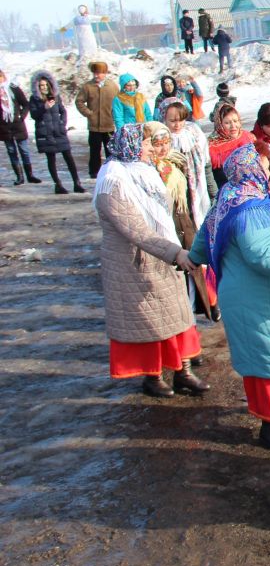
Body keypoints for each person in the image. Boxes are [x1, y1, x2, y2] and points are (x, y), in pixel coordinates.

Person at [188, 145, 270, 452]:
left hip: (245, 296)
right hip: (263, 298)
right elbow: (263, 258)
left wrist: (194, 257)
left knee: (263, 358)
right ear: (249, 168)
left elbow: (205, 236)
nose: (267, 166)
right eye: (262, 162)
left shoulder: (229, 198)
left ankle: (269, 417)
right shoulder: (251, 208)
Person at [93, 123, 209, 399]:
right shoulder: (113, 183)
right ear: (131, 147)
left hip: (160, 256)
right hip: (133, 264)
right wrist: (176, 253)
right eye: (145, 145)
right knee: (149, 323)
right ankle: (152, 376)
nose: (150, 149)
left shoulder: (143, 173)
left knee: (176, 314)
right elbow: (137, 231)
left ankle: (183, 372)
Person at [146, 121, 213, 321]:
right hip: (164, 230)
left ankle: (197, 309)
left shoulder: (175, 163)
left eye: (166, 142)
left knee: (192, 270)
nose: (163, 148)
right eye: (157, 144)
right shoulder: (147, 172)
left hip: (184, 224)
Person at [158, 98, 218, 317]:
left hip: (196, 201)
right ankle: (189, 302)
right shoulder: (159, 141)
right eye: (172, 120)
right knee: (182, 251)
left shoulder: (194, 135)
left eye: (180, 119)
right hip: (175, 206)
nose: (177, 125)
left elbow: (206, 167)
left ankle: (208, 299)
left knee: (201, 249)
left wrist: (213, 194)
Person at [29, 71, 81, 194]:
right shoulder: (34, 99)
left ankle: (77, 183)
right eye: (41, 85)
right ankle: (58, 185)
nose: (44, 88)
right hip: (45, 133)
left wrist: (62, 123)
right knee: (51, 159)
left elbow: (63, 111)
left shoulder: (56, 97)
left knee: (69, 157)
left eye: (46, 85)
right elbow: (34, 115)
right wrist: (44, 107)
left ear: (50, 85)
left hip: (59, 132)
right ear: (37, 87)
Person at [76, 61, 119, 179]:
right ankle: (94, 171)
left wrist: (115, 115)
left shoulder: (112, 86)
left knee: (110, 150)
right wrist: (88, 113)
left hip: (109, 125)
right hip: (94, 126)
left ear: (104, 73)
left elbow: (118, 102)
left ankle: (111, 170)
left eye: (99, 73)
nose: (96, 75)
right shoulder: (87, 86)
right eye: (94, 73)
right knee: (94, 150)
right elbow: (79, 101)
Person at [1, 68, 38, 186]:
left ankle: (30, 176)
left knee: (25, 151)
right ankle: (19, 177)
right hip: (4, 128)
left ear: (3, 77)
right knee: (12, 152)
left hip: (18, 126)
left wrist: (21, 116)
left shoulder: (13, 88)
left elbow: (26, 104)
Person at [207, 104, 254, 189]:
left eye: (235, 121)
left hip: (251, 190)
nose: (233, 126)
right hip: (225, 193)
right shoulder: (211, 147)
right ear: (220, 124)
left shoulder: (249, 138)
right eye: (227, 123)